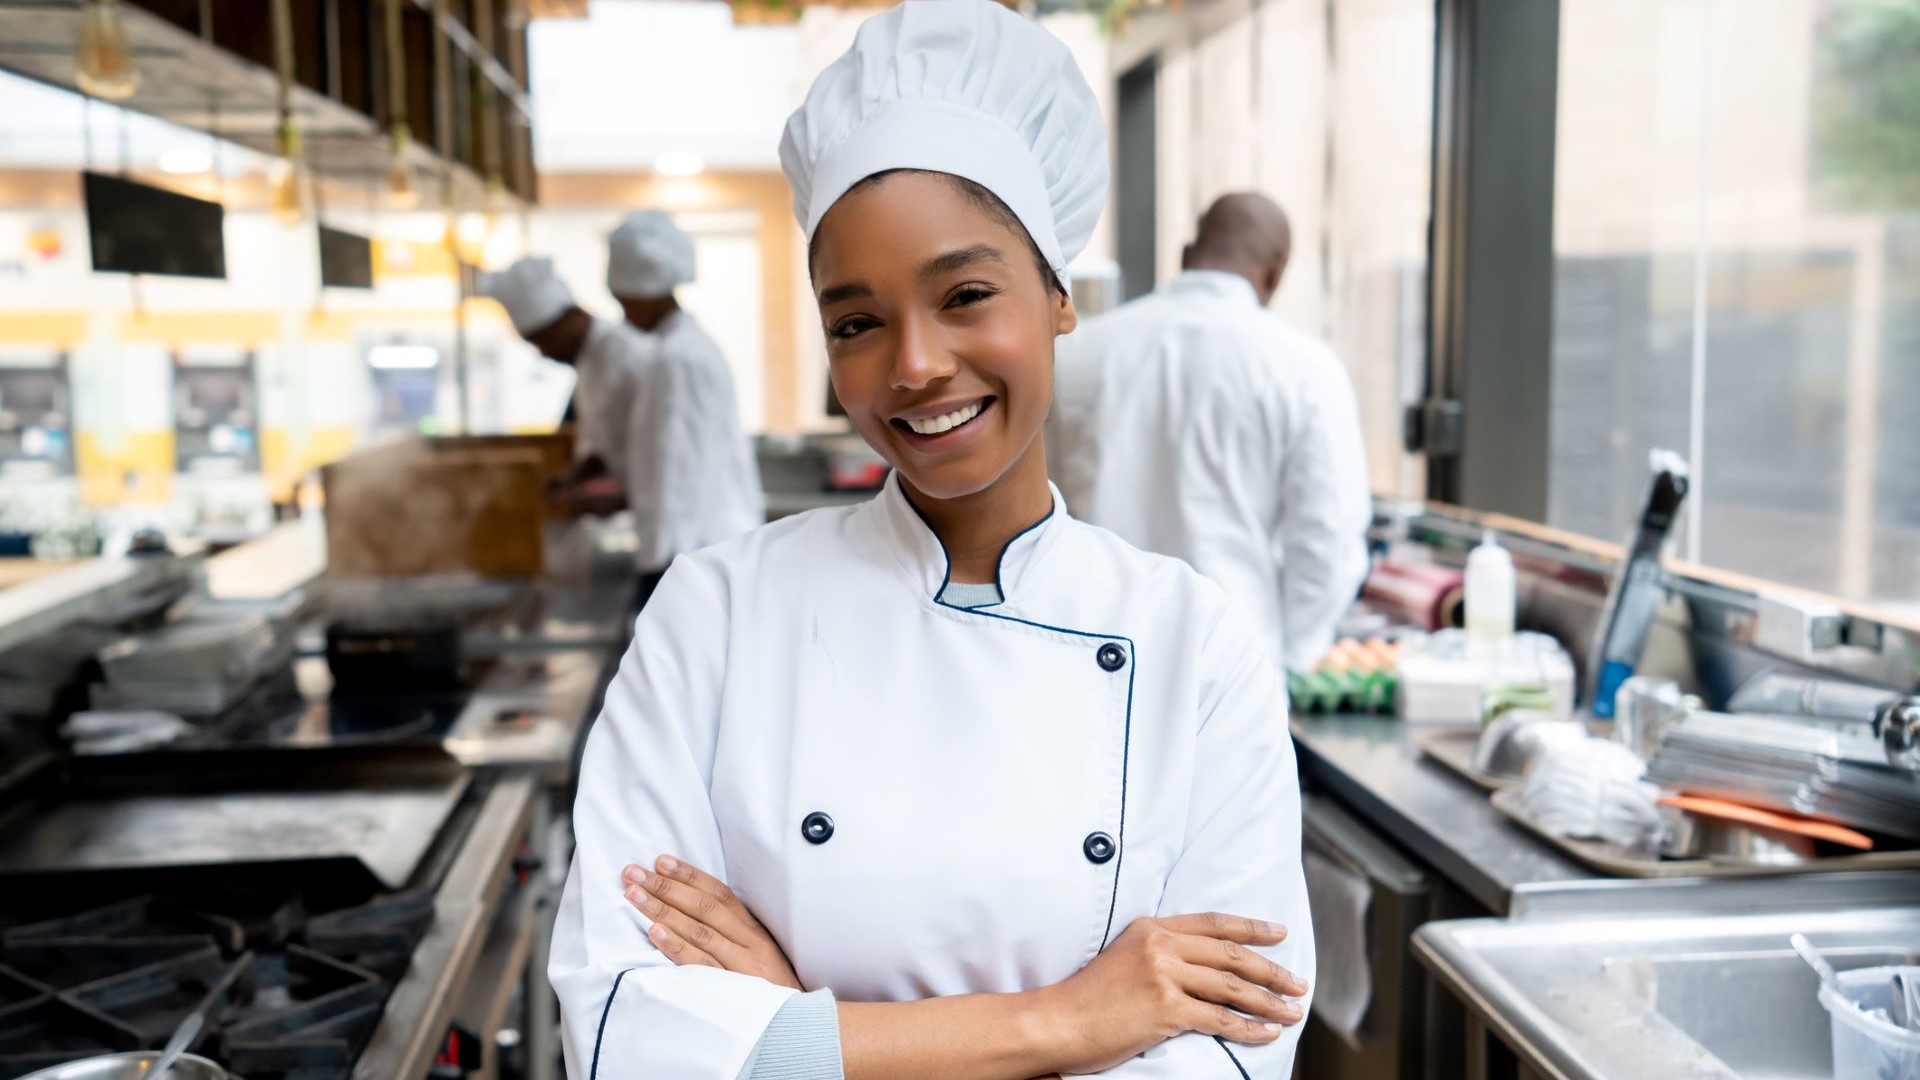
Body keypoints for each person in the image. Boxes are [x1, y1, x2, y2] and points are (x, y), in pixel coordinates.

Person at [549, 3, 1314, 1078]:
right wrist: (1068, 1022)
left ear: (1057, 298)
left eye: (965, 295)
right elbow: (629, 1037)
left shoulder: (1195, 644)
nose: (913, 365)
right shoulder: (713, 614)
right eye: (856, 322)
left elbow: (1230, 1057)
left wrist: (794, 1030)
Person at [1049, 193, 1372, 673]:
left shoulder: (1077, 354)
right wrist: (1291, 657)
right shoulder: (1303, 367)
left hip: (1090, 654)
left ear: (1185, 255)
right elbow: (1328, 539)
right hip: (1231, 666)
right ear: (1274, 273)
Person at [605, 209, 766, 604]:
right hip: (704, 549)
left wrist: (655, 569)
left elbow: (676, 472)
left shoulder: (677, 358)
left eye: (624, 300)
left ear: (647, 294)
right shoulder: (684, 348)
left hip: (694, 555)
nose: (623, 312)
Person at [479, 256, 642, 517]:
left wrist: (595, 497)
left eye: (545, 339)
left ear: (571, 316)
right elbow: (604, 446)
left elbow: (648, 451)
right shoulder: (588, 361)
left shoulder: (625, 354)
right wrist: (571, 479)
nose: (544, 352)